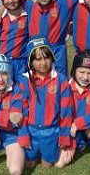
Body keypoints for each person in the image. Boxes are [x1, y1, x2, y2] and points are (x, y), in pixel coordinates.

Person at [17, 37, 74, 168]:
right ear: (31, 62)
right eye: (38, 59)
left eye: (46, 57)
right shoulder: (24, 81)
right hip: (31, 131)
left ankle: (57, 150)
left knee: (47, 165)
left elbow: (66, 112)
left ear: (52, 57)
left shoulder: (61, 80)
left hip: (51, 132)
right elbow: (21, 111)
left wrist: (64, 136)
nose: (43, 63)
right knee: (29, 164)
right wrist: (24, 134)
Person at [55, 50, 90, 175]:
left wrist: (78, 123)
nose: (85, 77)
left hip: (88, 130)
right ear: (74, 70)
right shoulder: (65, 86)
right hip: (69, 132)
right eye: (81, 72)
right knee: (59, 163)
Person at [0, 0, 29, 81]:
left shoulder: (28, 15)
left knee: (23, 90)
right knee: (5, 91)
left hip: (22, 62)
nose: (10, 1)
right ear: (2, 0)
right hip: (3, 62)